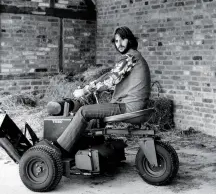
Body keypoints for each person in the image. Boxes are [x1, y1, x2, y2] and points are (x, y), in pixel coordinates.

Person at [46, 26, 151, 156]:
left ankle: (58, 149)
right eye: (116, 41)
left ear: (129, 40)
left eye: (123, 39)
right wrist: (94, 87)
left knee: (84, 111)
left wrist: (85, 90)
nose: (119, 44)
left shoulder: (129, 58)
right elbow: (112, 78)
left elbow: (111, 79)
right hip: (134, 105)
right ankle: (86, 146)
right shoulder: (136, 57)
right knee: (95, 114)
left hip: (129, 107)